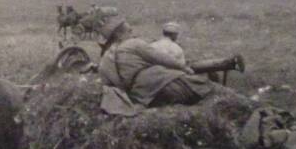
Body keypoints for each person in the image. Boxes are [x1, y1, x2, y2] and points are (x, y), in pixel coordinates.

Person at [97, 16, 233, 108]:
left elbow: (113, 86)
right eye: (129, 30)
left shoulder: (105, 60)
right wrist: (184, 68)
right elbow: (160, 58)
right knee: (209, 89)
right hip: (161, 81)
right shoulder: (132, 44)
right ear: (119, 34)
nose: (132, 32)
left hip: (142, 96)